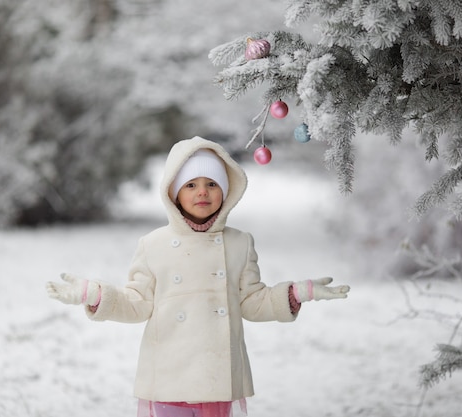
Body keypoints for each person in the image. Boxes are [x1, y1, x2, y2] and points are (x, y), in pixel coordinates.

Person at [46, 136, 350, 417]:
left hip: (217, 379)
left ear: (226, 191)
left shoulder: (239, 243)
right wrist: (95, 294)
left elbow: (252, 301)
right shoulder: (153, 245)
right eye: (190, 185)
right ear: (174, 192)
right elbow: (136, 303)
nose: (202, 192)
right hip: (167, 378)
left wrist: (296, 293)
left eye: (211, 184)